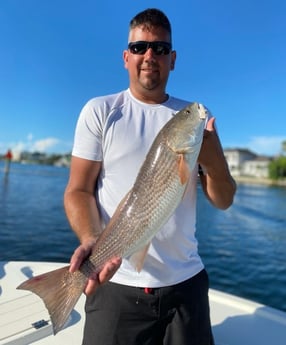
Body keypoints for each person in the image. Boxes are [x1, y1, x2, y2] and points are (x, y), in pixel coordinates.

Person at [64, 8, 236, 345]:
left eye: (159, 48)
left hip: (186, 282)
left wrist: (214, 164)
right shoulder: (100, 111)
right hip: (114, 282)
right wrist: (90, 239)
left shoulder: (196, 118)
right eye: (140, 47)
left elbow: (224, 200)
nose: (149, 56)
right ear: (126, 57)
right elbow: (78, 190)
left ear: (172, 59)